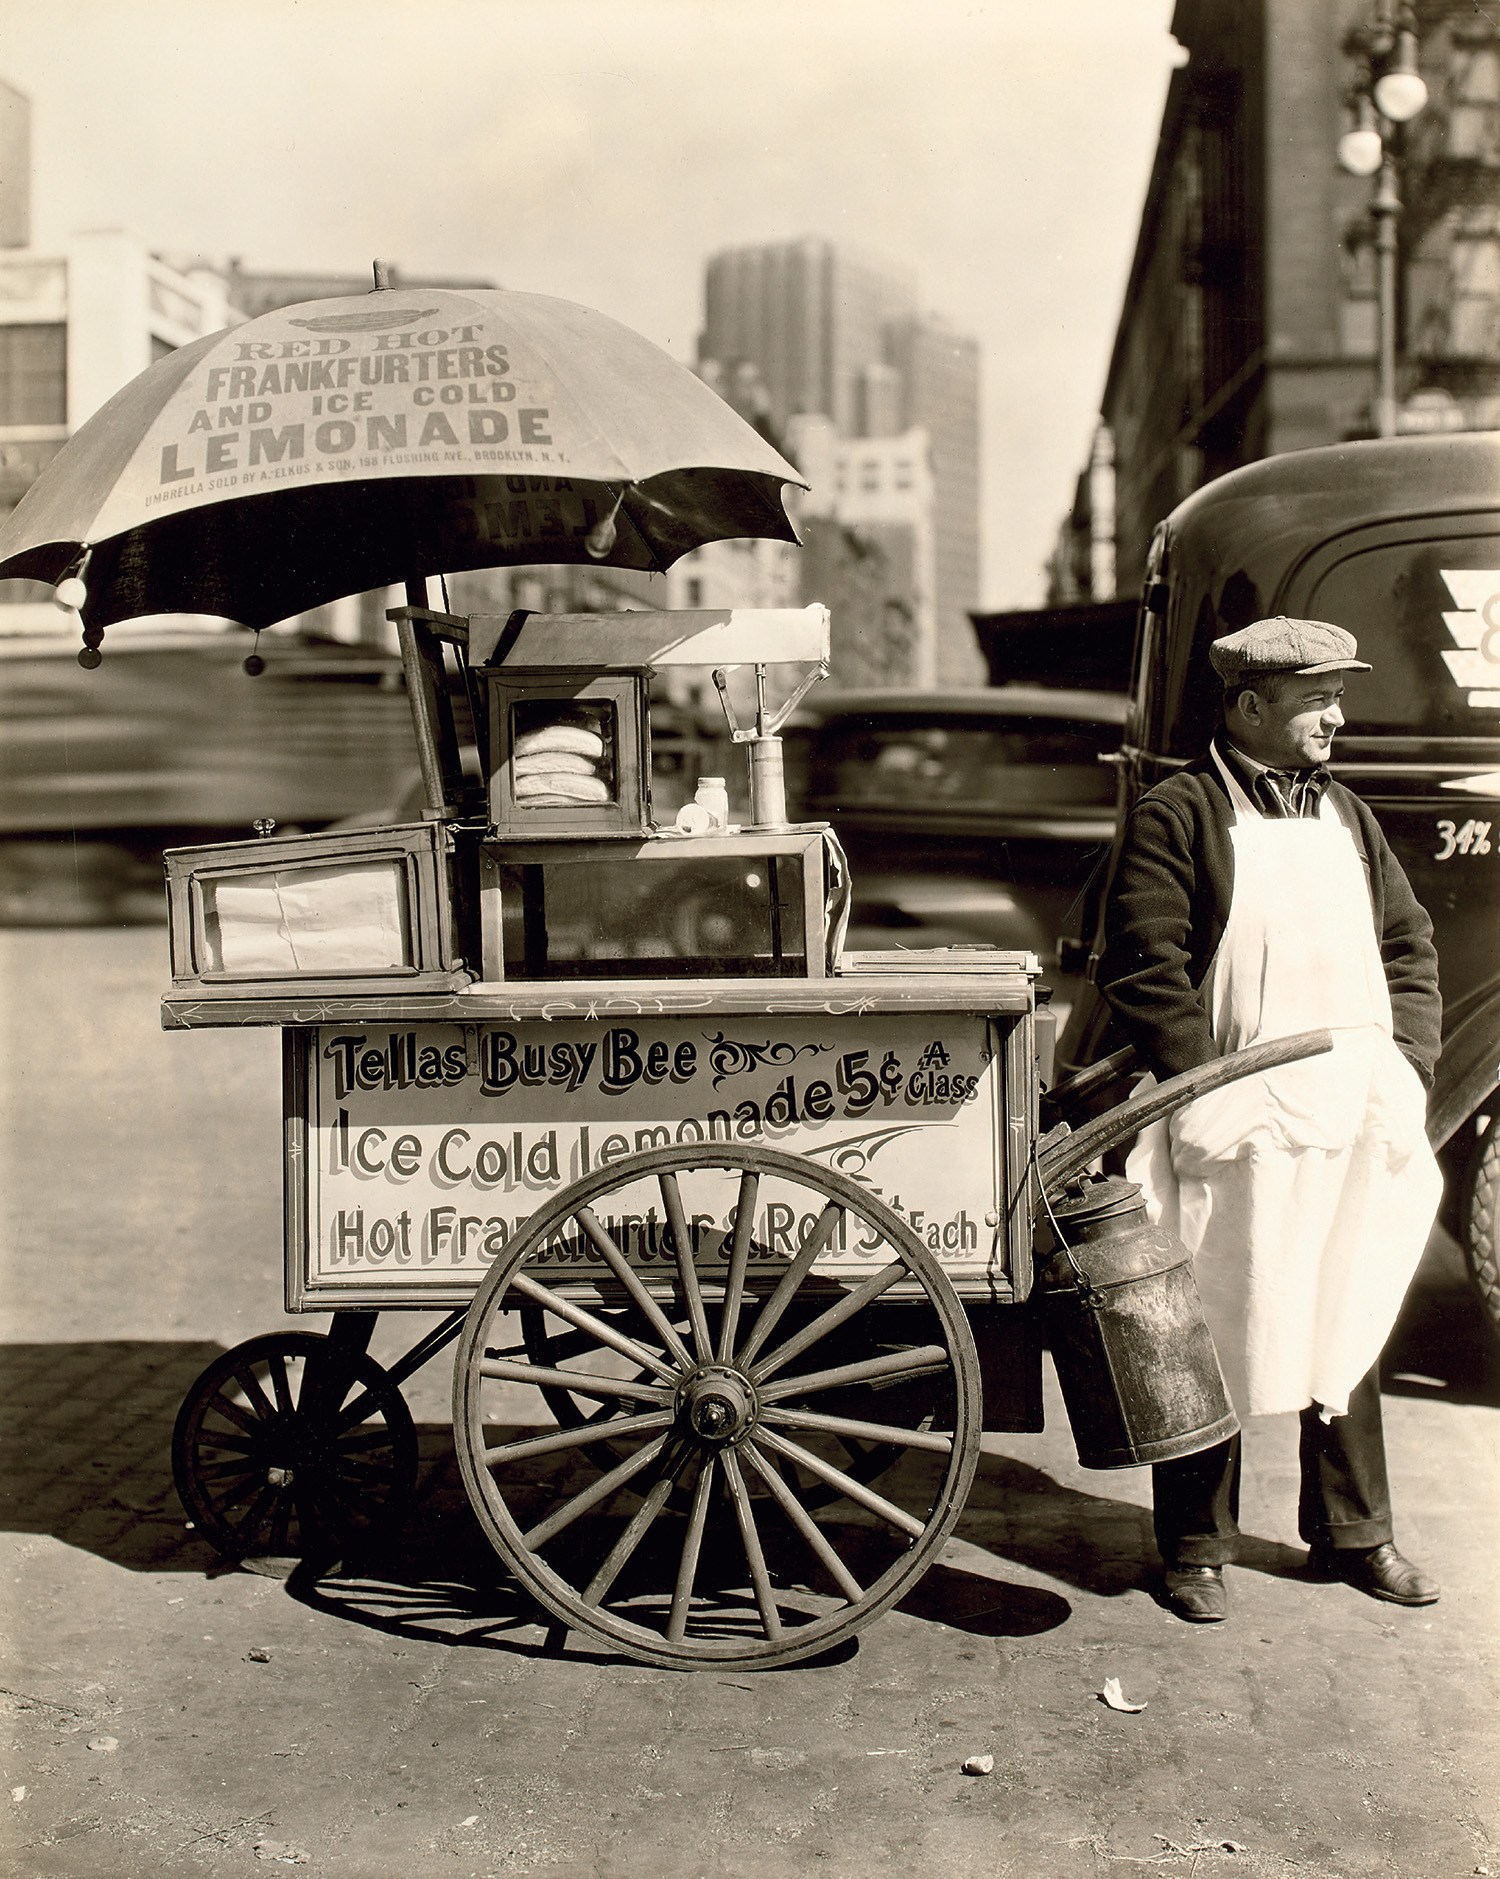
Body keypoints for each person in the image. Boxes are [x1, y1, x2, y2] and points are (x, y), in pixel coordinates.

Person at [1097, 616, 1444, 1624]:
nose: (1337, 717)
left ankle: (1355, 1534)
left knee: (1349, 1307)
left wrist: (1406, 1060)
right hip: (1232, 1123)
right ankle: (1196, 1546)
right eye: (1316, 701)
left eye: (1338, 696)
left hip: (1343, 1112)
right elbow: (1143, 962)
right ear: (1251, 707)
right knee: (1212, 1317)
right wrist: (1208, 1085)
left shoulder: (1347, 817)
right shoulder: (1180, 812)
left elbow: (1408, 943)